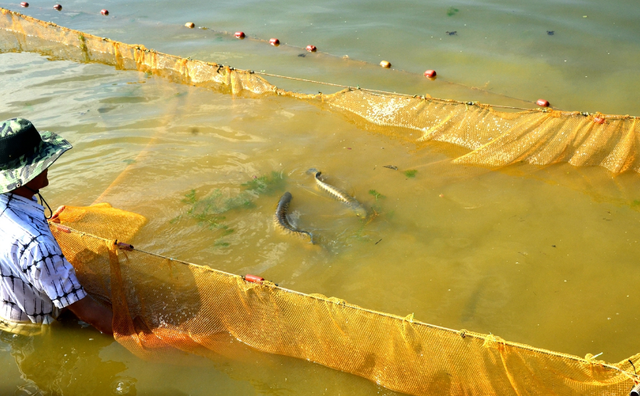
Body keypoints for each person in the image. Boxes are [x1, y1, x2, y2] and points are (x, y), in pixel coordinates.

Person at [0, 117, 113, 335]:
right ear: (25, 175)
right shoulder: (37, 244)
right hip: (36, 329)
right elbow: (89, 313)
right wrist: (145, 339)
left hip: (6, 311)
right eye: (42, 162)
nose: (48, 166)